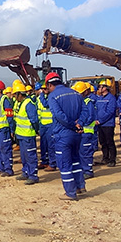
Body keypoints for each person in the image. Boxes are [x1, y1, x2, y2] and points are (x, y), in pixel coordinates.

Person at [45, 71, 89, 200]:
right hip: (76, 134)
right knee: (76, 160)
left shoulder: (53, 96)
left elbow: (59, 115)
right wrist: (79, 124)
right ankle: (80, 186)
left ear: (49, 85)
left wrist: (72, 125)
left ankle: (70, 192)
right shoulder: (76, 93)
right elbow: (85, 111)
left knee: (64, 164)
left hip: (63, 134)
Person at [12, 81, 40, 184]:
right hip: (21, 134)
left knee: (30, 156)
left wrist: (36, 130)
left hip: (28, 135)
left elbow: (34, 120)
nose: (14, 97)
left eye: (15, 95)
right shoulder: (20, 103)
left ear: (20, 94)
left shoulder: (29, 104)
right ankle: (26, 172)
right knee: (24, 156)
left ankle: (33, 175)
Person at [0, 80, 15, 176]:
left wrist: (11, 130)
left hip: (4, 129)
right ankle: (2, 167)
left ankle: (8, 169)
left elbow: (10, 116)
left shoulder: (5, 100)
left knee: (5, 149)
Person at [95, 79, 117, 167]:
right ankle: (105, 158)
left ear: (106, 87)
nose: (99, 88)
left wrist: (100, 120)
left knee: (109, 142)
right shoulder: (99, 98)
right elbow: (96, 110)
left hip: (108, 124)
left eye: (100, 86)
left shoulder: (111, 98)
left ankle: (112, 159)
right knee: (102, 142)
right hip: (100, 124)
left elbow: (110, 112)